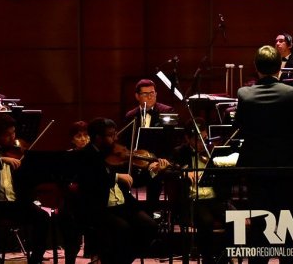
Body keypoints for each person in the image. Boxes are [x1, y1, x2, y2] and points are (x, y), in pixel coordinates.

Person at [235, 44, 293, 264]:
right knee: (288, 226)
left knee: (259, 226)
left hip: (257, 170)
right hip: (287, 169)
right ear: (280, 67)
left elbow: (239, 127)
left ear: (256, 67)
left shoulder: (244, 94)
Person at [73, 118, 158, 264]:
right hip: (100, 207)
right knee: (123, 229)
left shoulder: (116, 154)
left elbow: (134, 182)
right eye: (111, 135)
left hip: (122, 204)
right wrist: (116, 176)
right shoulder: (85, 155)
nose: (116, 138)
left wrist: (152, 171)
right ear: (98, 138)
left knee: (150, 226)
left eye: (115, 134)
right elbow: (91, 181)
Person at [0, 113, 49, 264]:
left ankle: (36, 258)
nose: (13, 138)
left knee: (42, 217)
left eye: (13, 133)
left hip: (16, 202)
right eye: (8, 135)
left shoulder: (19, 150)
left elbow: (29, 180)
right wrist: (0, 160)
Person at [169, 121, 227, 264]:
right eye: (199, 139)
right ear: (187, 138)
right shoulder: (180, 152)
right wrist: (183, 173)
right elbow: (170, 169)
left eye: (205, 138)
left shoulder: (212, 151)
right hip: (193, 200)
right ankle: (208, 259)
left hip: (214, 198)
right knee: (206, 221)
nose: (203, 143)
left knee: (234, 218)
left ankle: (223, 257)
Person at [123, 78, 174, 212]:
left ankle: (151, 213)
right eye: (145, 94)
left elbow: (170, 142)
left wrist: (156, 161)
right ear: (137, 96)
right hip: (137, 160)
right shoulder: (130, 116)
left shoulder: (167, 112)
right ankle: (132, 212)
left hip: (159, 159)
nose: (150, 97)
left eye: (152, 93)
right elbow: (126, 142)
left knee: (156, 177)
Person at [58, 121, 90, 264]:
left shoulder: (96, 156)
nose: (83, 139)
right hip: (73, 199)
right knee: (67, 214)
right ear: (72, 139)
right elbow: (63, 181)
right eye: (79, 136)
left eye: (86, 135)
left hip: (92, 199)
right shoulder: (67, 156)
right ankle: (70, 255)